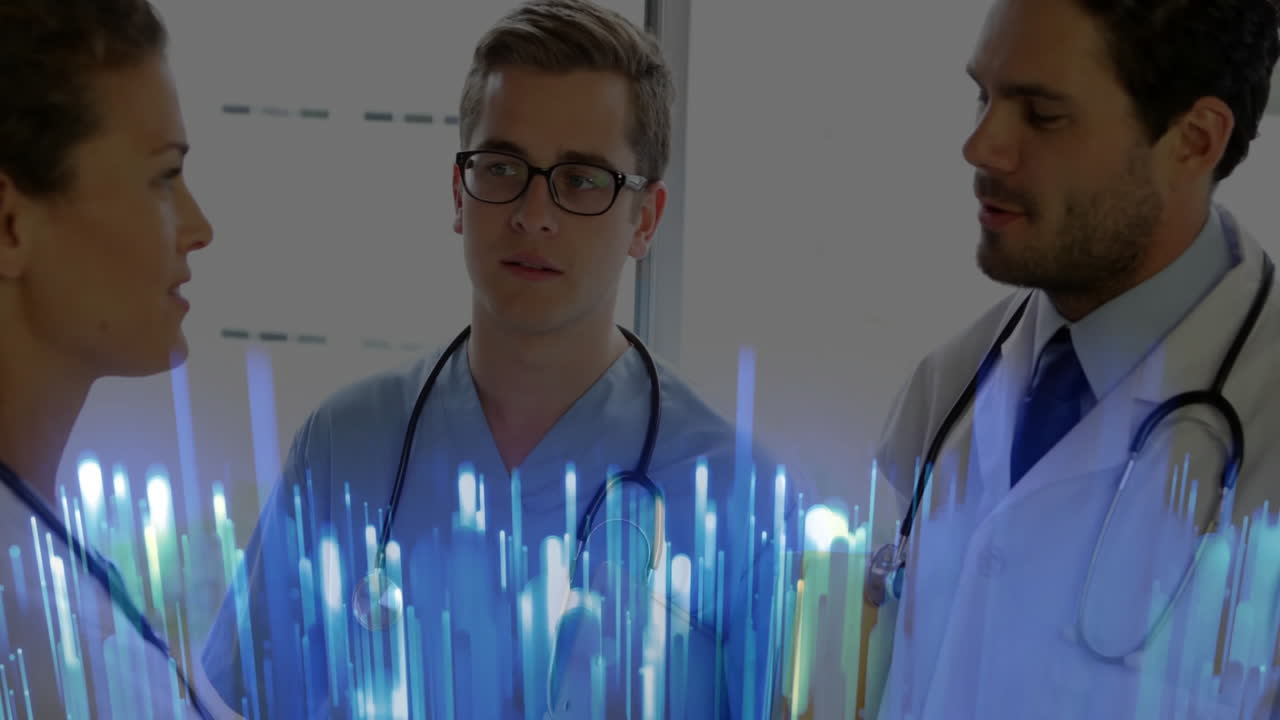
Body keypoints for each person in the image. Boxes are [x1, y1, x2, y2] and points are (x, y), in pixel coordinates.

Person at [198, 1, 801, 718]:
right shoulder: (342, 450)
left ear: (645, 219)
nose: (533, 214)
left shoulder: (735, 496)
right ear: (460, 193)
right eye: (502, 167)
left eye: (581, 179)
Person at [865, 0, 1280, 718]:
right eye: (984, 97)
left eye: (1042, 115)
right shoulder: (947, 386)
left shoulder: (1262, 416)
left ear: (1194, 141)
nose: (981, 147)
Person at [0, 0, 216, 717]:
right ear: (9, 225)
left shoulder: (44, 561)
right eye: (163, 177)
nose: (199, 227)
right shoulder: (24, 629)